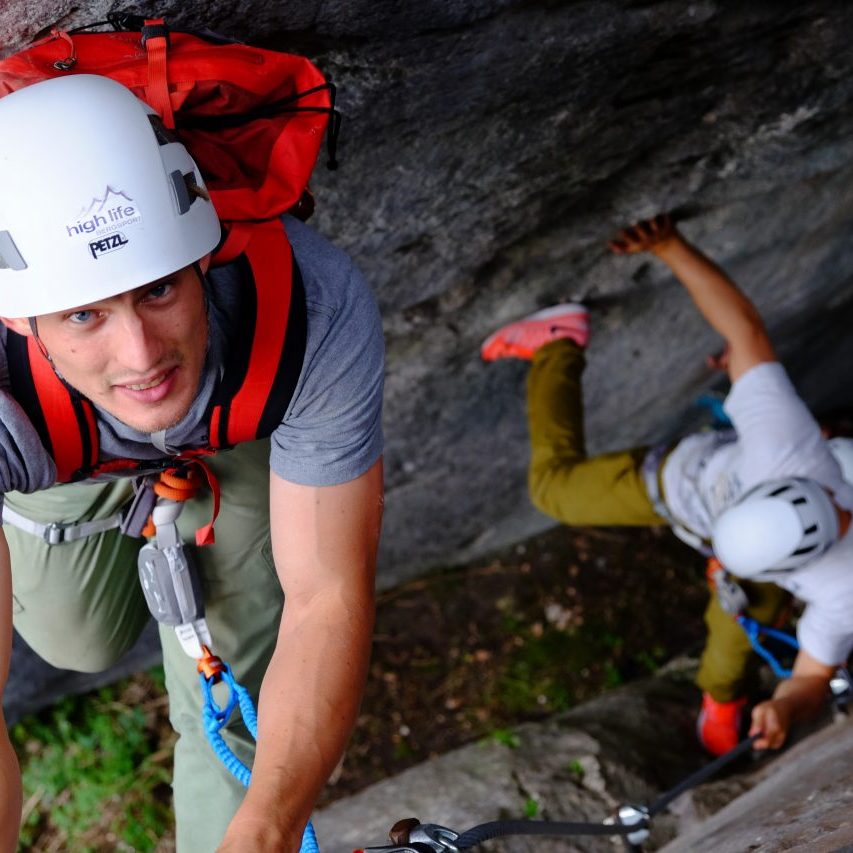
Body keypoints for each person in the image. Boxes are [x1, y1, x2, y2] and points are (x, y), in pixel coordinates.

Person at [0, 74, 384, 852]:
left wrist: (270, 829)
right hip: (57, 457)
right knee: (78, 641)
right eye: (84, 313)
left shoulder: (312, 308)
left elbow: (327, 600)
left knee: (247, 677)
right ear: (16, 314)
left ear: (204, 259)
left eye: (159, 290)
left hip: (234, 438)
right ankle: (95, 497)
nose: (140, 354)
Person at [481, 212, 853, 757]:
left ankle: (721, 699)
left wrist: (785, 706)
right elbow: (744, 329)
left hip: (693, 490)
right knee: (554, 490)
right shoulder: (788, 448)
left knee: (733, 621)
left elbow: (812, 678)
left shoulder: (839, 582)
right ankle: (556, 340)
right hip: (673, 483)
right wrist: (671, 244)